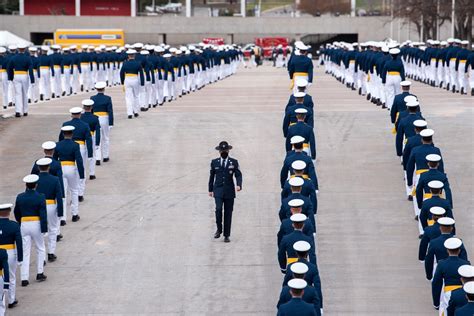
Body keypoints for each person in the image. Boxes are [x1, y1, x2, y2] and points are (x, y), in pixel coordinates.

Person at [13, 175, 48, 287]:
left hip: (24, 223)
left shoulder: (20, 197)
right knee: (40, 248)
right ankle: (39, 272)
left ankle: (24, 278)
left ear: (26, 185)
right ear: (36, 185)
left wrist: (20, 222)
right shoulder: (41, 196)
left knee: (25, 251)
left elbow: (16, 212)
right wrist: (44, 228)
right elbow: (43, 214)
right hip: (36, 223)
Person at [208, 141, 242, 243]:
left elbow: (238, 174)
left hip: (229, 191)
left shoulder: (234, 162)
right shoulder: (214, 162)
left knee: (228, 213)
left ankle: (227, 235)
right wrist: (210, 190)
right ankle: (219, 229)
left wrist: (239, 184)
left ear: (228, 150)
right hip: (217, 190)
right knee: (218, 209)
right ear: (219, 151)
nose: (224, 151)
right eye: (222, 150)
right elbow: (211, 177)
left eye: (225, 150)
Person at [60, 107, 93, 202]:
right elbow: (88, 140)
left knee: (65, 174)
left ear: (71, 115)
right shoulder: (85, 125)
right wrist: (90, 153)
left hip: (67, 147)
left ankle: (66, 195)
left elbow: (60, 138)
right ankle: (80, 193)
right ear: (80, 114)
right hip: (81, 146)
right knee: (80, 168)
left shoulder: (65, 124)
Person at [35, 158, 63, 262]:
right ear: (49, 167)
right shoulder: (55, 179)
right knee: (53, 229)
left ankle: (41, 256)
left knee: (40, 230)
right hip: (51, 205)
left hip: (38, 205)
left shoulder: (35, 179)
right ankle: (51, 252)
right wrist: (60, 211)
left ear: (38, 168)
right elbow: (59, 196)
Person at [432, 238, 470, 314]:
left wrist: (436, 303)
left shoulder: (442, 264)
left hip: (448, 291)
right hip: (462, 292)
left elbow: (436, 283)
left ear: (447, 250)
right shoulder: (466, 263)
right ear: (459, 250)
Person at [54, 126, 84, 224]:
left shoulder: (57, 145)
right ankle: (74, 214)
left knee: (63, 193)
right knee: (74, 191)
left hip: (60, 168)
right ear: (72, 134)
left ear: (63, 134)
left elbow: (54, 160)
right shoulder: (75, 145)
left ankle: (62, 218)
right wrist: (82, 174)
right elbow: (79, 160)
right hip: (71, 167)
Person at [0, 203, 22, 309]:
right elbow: (19, 242)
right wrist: (20, 257)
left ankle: (1, 299)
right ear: (9, 212)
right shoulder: (14, 225)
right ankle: (11, 300)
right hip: (10, 252)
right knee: (12, 276)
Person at [6, 43, 34, 117]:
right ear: (24, 49)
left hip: (16, 75)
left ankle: (18, 111)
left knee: (18, 94)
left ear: (18, 49)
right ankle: (25, 111)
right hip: (24, 75)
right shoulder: (28, 58)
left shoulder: (13, 58)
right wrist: (32, 79)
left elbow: (9, 68)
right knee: (25, 93)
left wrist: (10, 78)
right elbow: (30, 69)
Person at [91, 81, 114, 164]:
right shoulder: (107, 98)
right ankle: (105, 156)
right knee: (105, 137)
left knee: (97, 138)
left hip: (95, 118)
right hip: (105, 118)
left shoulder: (92, 98)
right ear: (104, 89)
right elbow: (110, 111)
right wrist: (111, 123)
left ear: (96, 89)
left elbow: (91, 110)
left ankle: (97, 158)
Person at [120, 49, 145, 119]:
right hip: (135, 79)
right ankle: (136, 112)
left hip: (127, 79)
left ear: (128, 56)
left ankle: (129, 113)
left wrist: (122, 82)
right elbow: (141, 74)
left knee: (128, 97)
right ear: (134, 55)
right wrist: (142, 82)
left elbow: (121, 73)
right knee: (136, 96)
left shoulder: (125, 63)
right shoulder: (138, 63)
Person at [80, 99, 101, 180]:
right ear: (91, 107)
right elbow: (98, 131)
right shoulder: (95, 118)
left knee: (82, 156)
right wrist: (97, 142)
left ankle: (83, 174)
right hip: (91, 136)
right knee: (91, 155)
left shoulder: (80, 117)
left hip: (81, 138)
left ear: (83, 107)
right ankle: (92, 173)